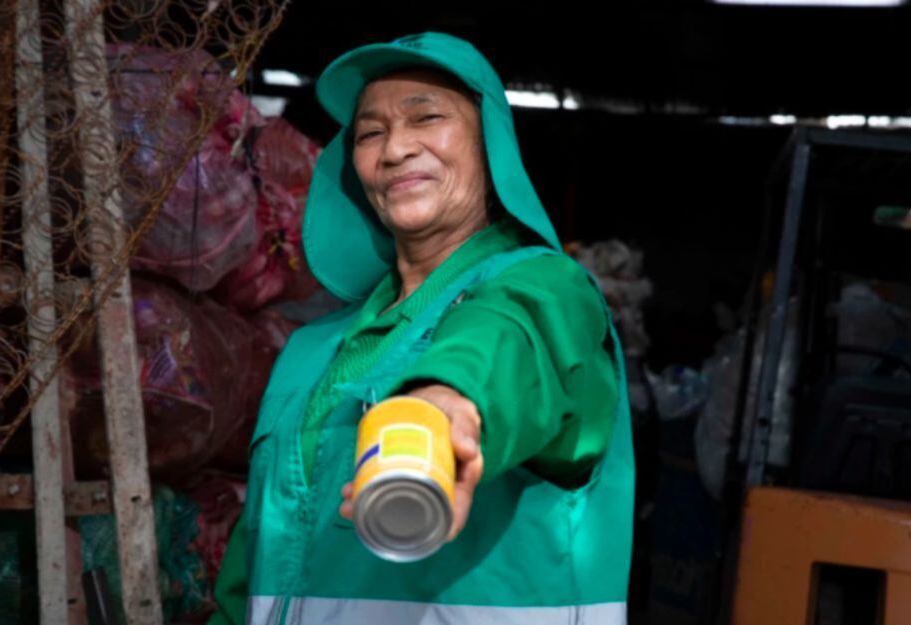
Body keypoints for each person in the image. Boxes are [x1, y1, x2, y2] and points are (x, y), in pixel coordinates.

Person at [211, 32, 634, 625]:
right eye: (370, 133)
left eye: (426, 117)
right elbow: (254, 561)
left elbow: (508, 339)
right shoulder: (310, 350)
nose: (395, 150)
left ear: (491, 147)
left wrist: (441, 408)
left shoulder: (547, 289)